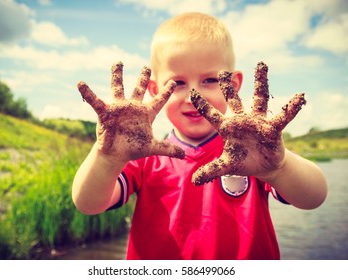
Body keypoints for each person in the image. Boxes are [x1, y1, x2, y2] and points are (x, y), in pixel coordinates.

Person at [72, 12, 327, 260]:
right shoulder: (143, 156)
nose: (195, 96)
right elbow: (88, 203)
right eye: (178, 83)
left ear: (233, 85)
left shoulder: (252, 151)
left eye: (209, 80)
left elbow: (314, 197)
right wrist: (106, 157)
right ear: (154, 89)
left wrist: (279, 169)